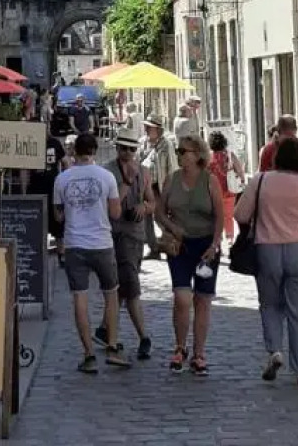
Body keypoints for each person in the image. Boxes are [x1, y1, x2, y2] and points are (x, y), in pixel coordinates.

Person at [235, 137, 298, 388]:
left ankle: (275, 352)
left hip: (267, 249)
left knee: (269, 305)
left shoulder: (260, 181)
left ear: (276, 158)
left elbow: (240, 214)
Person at [53, 133, 131, 373]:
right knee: (111, 295)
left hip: (75, 244)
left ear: (75, 151)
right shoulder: (106, 177)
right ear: (95, 151)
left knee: (80, 299)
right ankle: (112, 347)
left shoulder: (62, 179)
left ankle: (88, 354)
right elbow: (116, 213)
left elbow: (58, 216)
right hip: (102, 243)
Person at [156, 133, 224, 376]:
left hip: (205, 246)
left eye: (184, 151)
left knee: (203, 300)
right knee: (182, 298)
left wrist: (215, 244)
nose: (179, 156)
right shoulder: (172, 180)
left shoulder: (210, 181)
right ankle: (179, 347)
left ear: (198, 155)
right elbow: (159, 211)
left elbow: (220, 216)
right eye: (178, 152)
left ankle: (199, 354)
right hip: (179, 246)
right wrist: (171, 227)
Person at [95, 127, 155, 359]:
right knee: (131, 290)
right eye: (122, 148)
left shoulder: (145, 171)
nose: (126, 152)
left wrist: (144, 207)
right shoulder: (107, 172)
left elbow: (152, 203)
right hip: (116, 235)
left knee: (122, 286)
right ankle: (143, 337)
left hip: (136, 235)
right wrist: (127, 183)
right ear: (117, 148)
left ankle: (103, 328)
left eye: (131, 148)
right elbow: (110, 208)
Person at [140, 113, 178, 259]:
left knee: (160, 217)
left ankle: (171, 243)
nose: (147, 129)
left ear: (158, 130)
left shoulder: (166, 144)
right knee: (146, 218)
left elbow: (172, 167)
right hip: (145, 185)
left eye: (150, 127)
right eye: (146, 127)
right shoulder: (143, 142)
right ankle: (154, 248)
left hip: (159, 186)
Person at [28, 129, 66, 265]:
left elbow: (64, 161)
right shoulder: (30, 142)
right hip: (36, 186)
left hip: (53, 186)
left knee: (57, 221)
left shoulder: (54, 143)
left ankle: (61, 253)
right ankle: (39, 252)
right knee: (38, 219)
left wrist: (65, 180)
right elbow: (24, 169)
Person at [208, 131, 246, 242]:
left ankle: (218, 238)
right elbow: (239, 169)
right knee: (228, 216)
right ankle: (230, 238)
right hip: (229, 191)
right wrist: (242, 180)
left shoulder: (209, 157)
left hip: (214, 192)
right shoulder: (229, 155)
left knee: (216, 216)